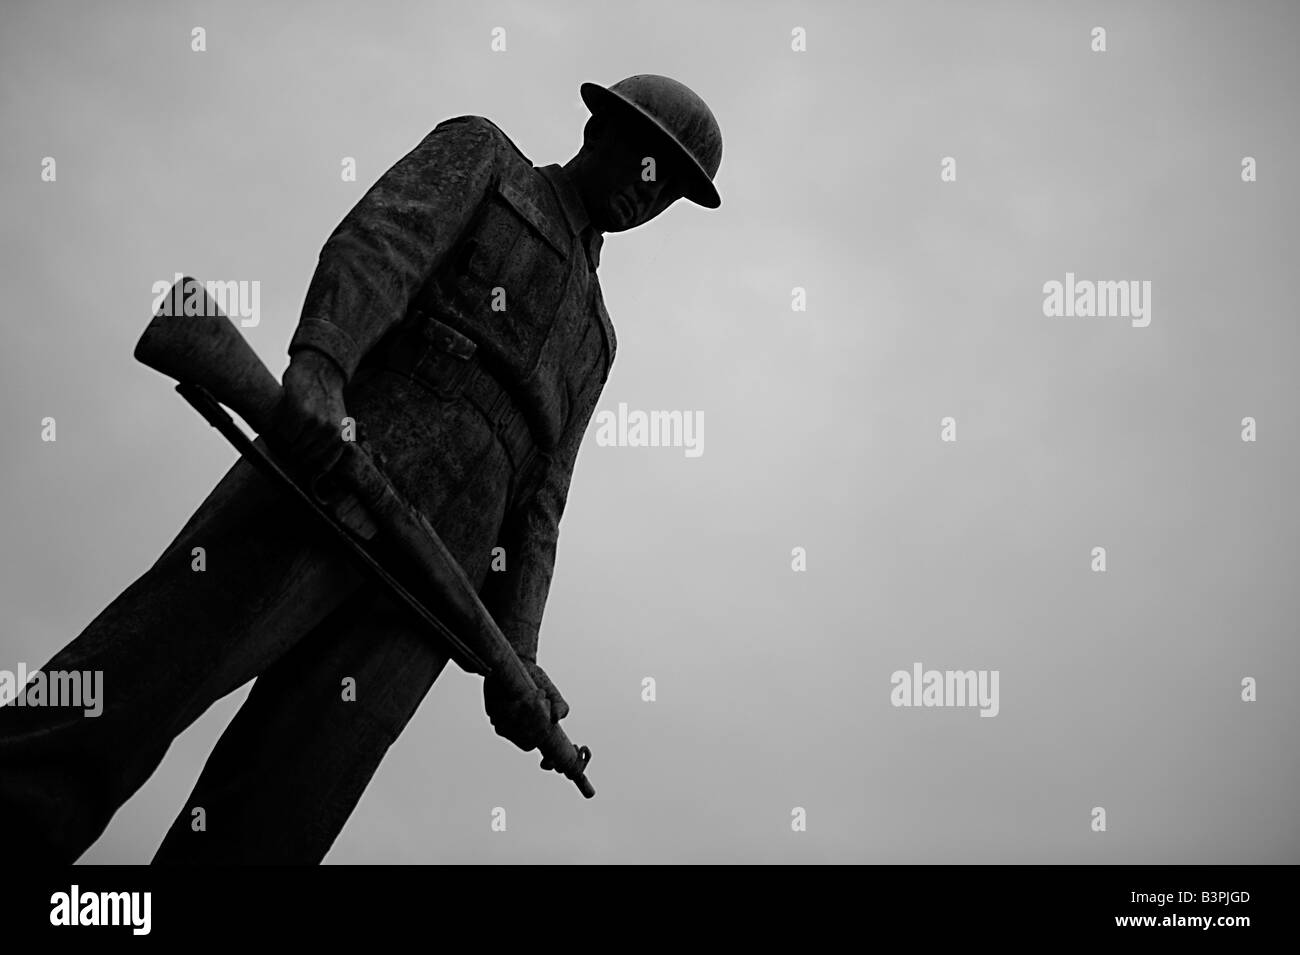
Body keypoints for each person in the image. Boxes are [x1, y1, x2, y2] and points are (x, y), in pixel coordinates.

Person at [0, 74, 723, 864]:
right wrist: (321, 362)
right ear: (599, 134)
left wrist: (517, 651)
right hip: (337, 466)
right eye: (648, 162)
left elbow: (543, 501)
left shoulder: (598, 338)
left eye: (671, 191)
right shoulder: (488, 159)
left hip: (432, 594)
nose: (649, 194)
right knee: (142, 678)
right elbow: (383, 241)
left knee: (283, 812)